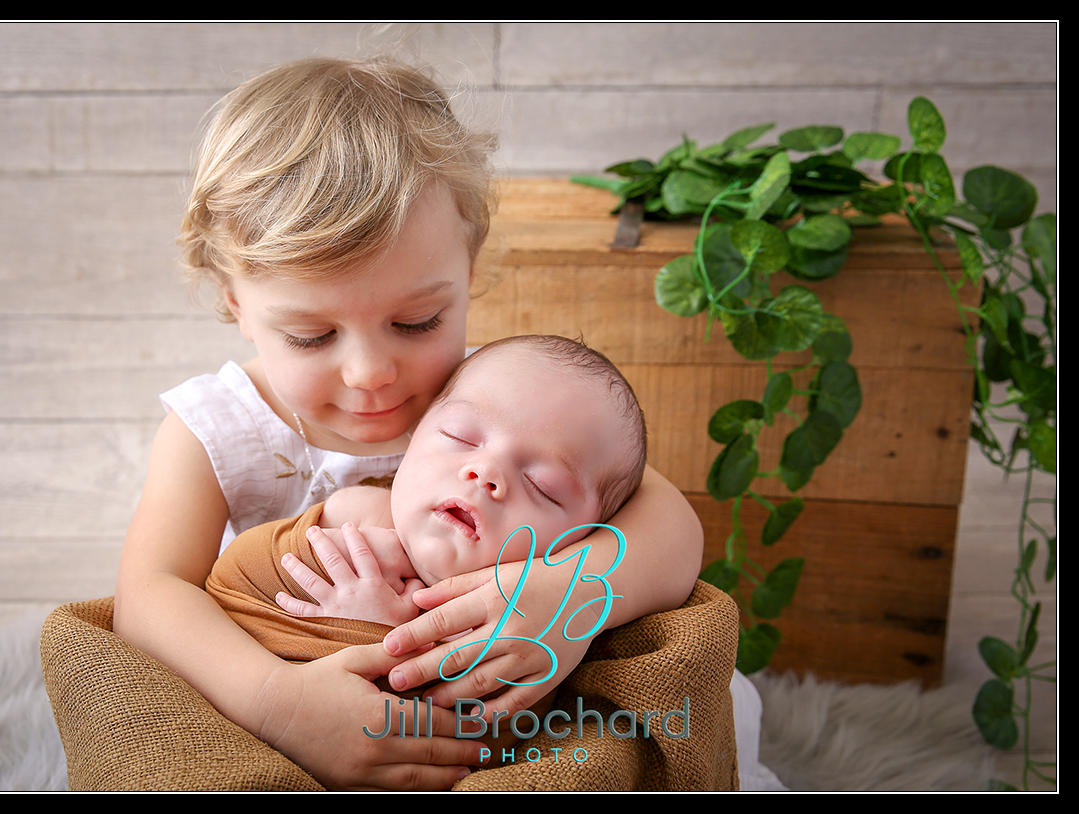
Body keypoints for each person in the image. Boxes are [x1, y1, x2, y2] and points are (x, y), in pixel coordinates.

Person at [113, 56, 704, 791]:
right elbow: (149, 595)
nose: (370, 373)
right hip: (284, 680)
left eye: (417, 321)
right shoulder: (223, 427)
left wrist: (571, 595)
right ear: (236, 302)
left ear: (469, 267)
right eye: (311, 337)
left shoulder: (493, 403)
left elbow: (671, 525)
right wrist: (278, 704)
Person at [205, 334, 647, 662]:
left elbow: (469, 721)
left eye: (542, 486)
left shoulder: (529, 620)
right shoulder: (353, 519)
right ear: (413, 435)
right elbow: (239, 581)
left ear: (586, 537)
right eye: (460, 436)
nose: (486, 472)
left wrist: (380, 633)